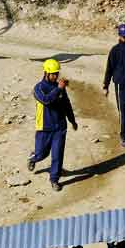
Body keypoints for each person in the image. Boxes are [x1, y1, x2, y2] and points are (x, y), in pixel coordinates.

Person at [28, 59, 78, 191]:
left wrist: (72, 120)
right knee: (42, 154)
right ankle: (33, 158)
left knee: (57, 154)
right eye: (53, 74)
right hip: (44, 127)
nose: (55, 76)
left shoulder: (59, 87)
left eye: (57, 73)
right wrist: (59, 89)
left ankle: (54, 179)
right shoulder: (38, 88)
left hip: (60, 127)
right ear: (46, 73)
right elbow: (46, 100)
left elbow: (67, 104)